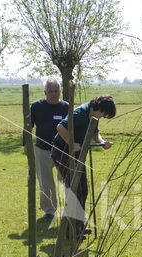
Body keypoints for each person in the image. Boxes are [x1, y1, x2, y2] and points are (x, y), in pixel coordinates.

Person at [50, 95, 115, 240]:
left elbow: (95, 132)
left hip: (76, 155)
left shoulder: (93, 115)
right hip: (62, 153)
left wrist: (102, 142)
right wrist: (71, 144)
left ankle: (78, 225)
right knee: (74, 190)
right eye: (104, 114)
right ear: (99, 108)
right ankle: (70, 231)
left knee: (83, 190)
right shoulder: (80, 113)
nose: (103, 117)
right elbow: (60, 127)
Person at [30, 78, 69, 219]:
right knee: (45, 182)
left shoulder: (66, 107)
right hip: (42, 149)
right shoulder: (36, 106)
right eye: (50, 91)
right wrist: (26, 145)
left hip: (62, 150)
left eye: (56, 91)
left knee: (66, 180)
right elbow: (28, 126)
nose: (53, 94)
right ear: (45, 92)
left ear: (60, 91)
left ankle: (68, 209)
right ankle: (49, 210)